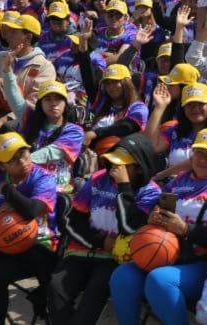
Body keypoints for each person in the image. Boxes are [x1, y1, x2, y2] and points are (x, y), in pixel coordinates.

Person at [109, 128, 207, 325]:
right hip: (170, 253)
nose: (203, 159)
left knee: (160, 280)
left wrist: (186, 229)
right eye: (199, 153)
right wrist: (154, 218)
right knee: (123, 275)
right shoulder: (178, 182)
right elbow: (153, 215)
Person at [45, 133, 161, 324]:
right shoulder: (98, 179)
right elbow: (73, 221)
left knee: (96, 291)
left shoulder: (150, 192)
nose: (115, 167)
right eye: (114, 161)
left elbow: (129, 226)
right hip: (83, 249)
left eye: (122, 165)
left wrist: (124, 187)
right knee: (56, 287)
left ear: (139, 168)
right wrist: (100, 241)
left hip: (116, 258)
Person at [0, 132, 59, 325]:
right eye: (13, 160)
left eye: (23, 154)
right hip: (9, 243)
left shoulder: (44, 178)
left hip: (42, 244)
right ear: (1, 166)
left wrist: (8, 191)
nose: (22, 161)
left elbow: (33, 210)